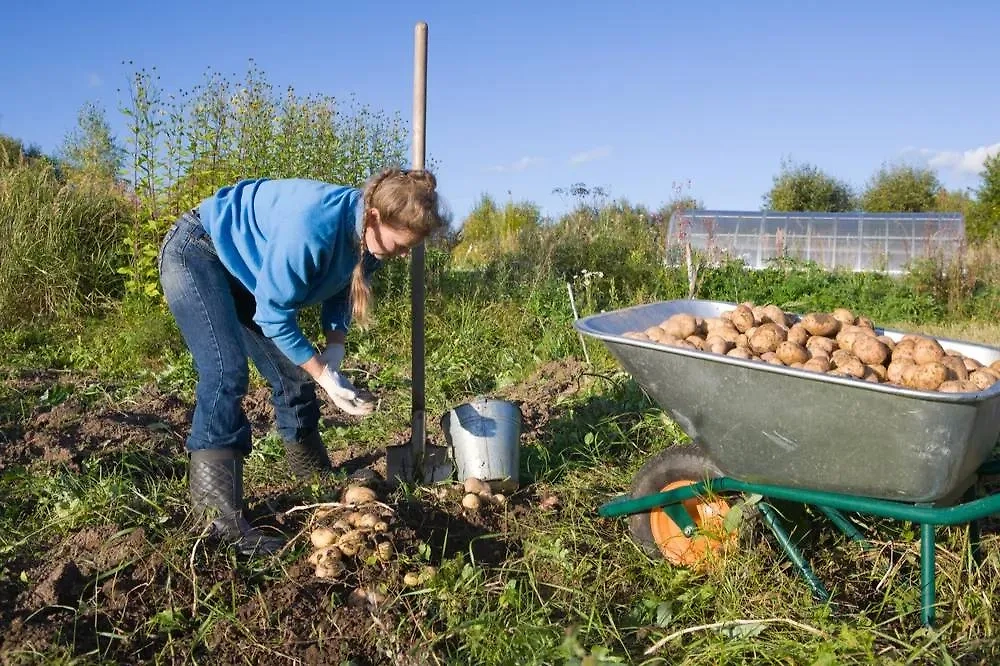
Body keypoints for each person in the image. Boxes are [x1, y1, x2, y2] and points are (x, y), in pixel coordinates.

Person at [157, 168, 444, 554]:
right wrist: (323, 374)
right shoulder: (313, 226)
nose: (404, 254)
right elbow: (274, 316)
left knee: (293, 374)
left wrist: (334, 347)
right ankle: (217, 520)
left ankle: (313, 478)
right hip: (199, 251)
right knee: (225, 371)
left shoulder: (368, 237)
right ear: (375, 217)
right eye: (402, 244)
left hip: (246, 271)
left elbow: (344, 286)